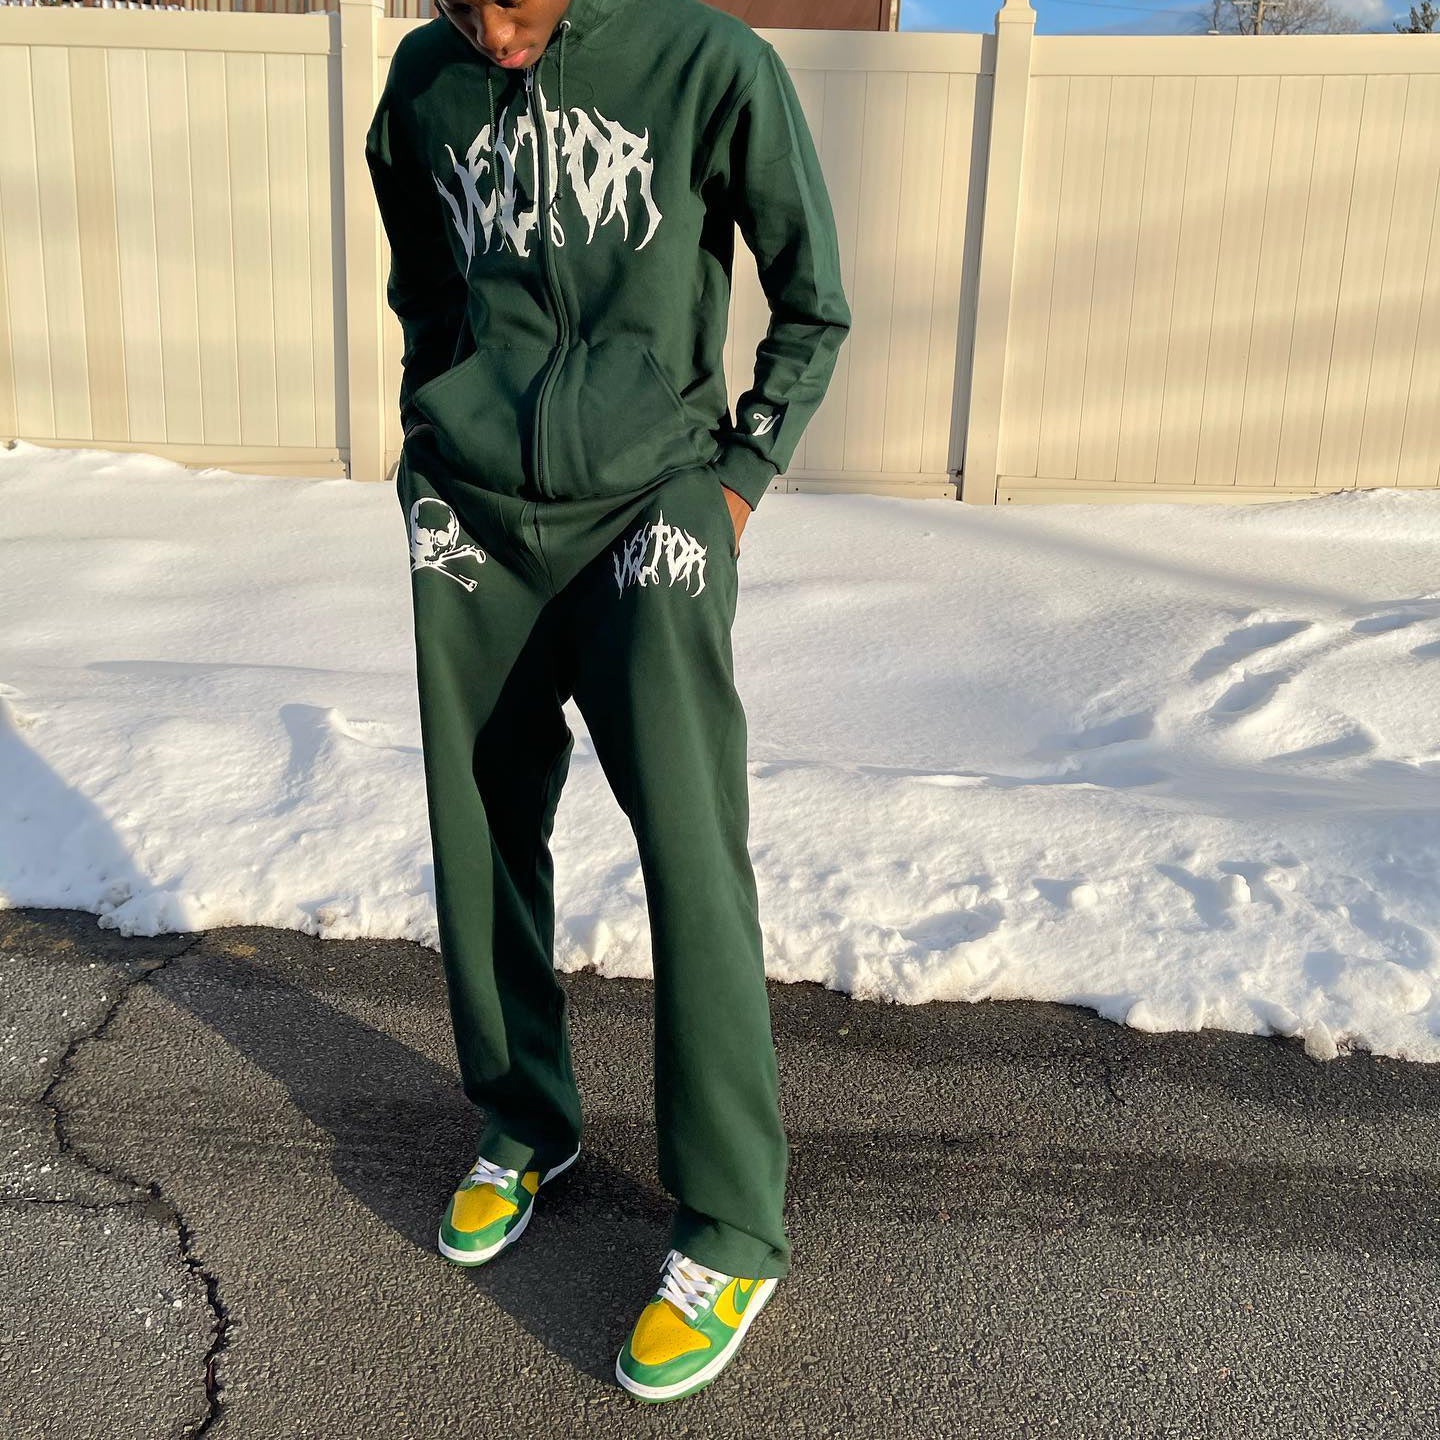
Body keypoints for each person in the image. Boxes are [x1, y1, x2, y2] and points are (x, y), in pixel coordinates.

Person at [364, 0, 850, 1402]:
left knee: (689, 843)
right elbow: (426, 291)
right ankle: (526, 1120)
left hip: (651, 510)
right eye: (463, 2)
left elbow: (813, 299)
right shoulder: (422, 83)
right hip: (475, 518)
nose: (494, 29)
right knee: (480, 824)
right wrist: (431, 441)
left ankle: (731, 1223)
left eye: (517, 2)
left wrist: (737, 481)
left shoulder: (711, 64)